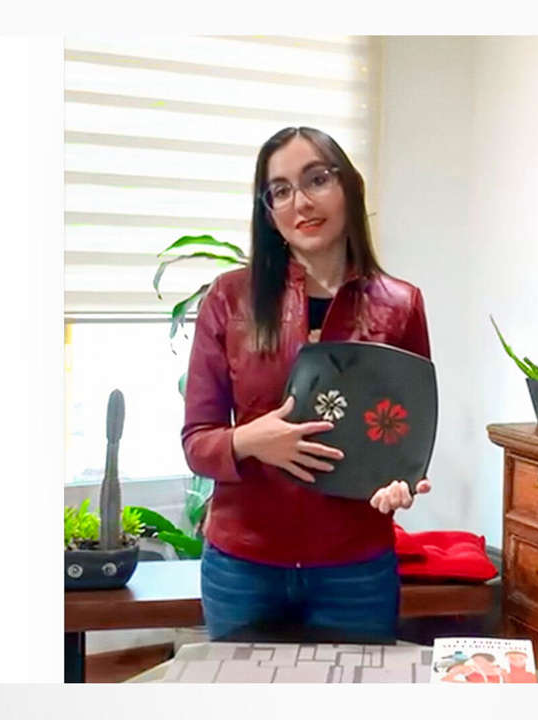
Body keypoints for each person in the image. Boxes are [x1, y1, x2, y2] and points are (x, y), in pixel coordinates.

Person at [181, 126, 434, 644]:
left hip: (355, 568)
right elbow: (196, 442)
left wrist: (401, 482)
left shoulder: (401, 304)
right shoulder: (228, 299)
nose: (301, 202)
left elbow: (406, 433)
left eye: (317, 179)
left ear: (348, 187)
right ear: (268, 211)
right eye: (280, 190)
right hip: (243, 566)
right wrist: (251, 440)